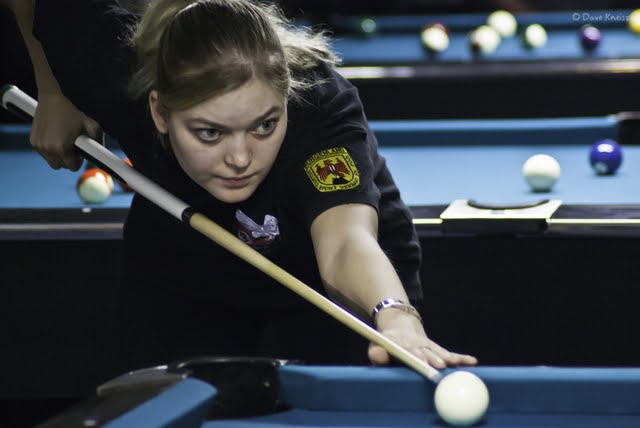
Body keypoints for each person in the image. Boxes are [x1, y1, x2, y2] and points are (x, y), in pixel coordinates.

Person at [2, 0, 477, 372]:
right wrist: (53, 91)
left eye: (264, 125)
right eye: (209, 133)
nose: (240, 158)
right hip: (183, 262)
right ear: (159, 112)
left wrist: (394, 315)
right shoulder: (117, 74)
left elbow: (344, 244)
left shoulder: (319, 114)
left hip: (329, 282)